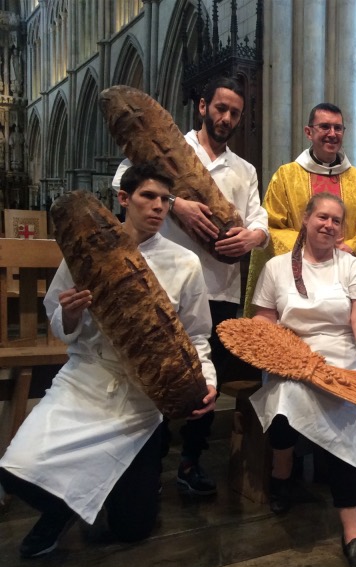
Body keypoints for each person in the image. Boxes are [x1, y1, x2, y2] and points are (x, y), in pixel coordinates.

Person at [0, 162, 217, 558]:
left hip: (140, 400)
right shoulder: (86, 253)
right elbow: (58, 321)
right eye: (147, 197)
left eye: (166, 200)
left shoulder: (185, 263)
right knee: (14, 470)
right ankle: (60, 510)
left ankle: (108, 491)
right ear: (123, 198)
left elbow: (197, 334)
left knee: (132, 529)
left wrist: (207, 380)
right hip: (87, 380)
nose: (159, 207)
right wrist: (70, 313)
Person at [113, 77, 269, 496]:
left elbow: (260, 220)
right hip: (164, 283)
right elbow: (121, 183)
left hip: (220, 288)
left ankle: (191, 460)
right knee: (157, 371)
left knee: (205, 379)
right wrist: (176, 203)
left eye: (235, 112)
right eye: (220, 108)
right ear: (202, 106)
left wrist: (253, 237)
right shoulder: (171, 150)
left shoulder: (244, 169)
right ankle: (151, 458)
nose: (226, 118)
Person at [249, 192, 356, 567]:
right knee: (285, 402)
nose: (329, 225)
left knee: (346, 434)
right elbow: (264, 319)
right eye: (322, 217)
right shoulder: (275, 267)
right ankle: (282, 472)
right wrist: (274, 352)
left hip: (339, 361)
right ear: (306, 219)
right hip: (290, 358)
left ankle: (353, 532)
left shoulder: (352, 266)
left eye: (336, 221)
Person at [243, 102, 356, 347]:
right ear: (308, 132)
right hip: (299, 280)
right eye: (324, 127)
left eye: (338, 128)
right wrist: (314, 247)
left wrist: (351, 247)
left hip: (344, 282)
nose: (332, 134)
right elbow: (271, 227)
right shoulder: (286, 176)